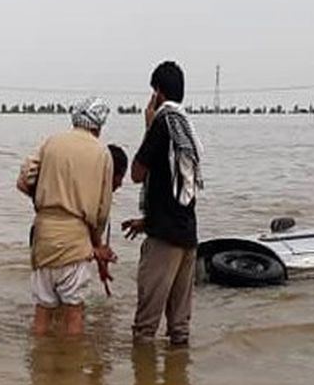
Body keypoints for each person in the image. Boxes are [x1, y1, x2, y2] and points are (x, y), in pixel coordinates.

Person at [16, 97, 117, 336]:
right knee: (74, 314)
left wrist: (42, 202)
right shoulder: (102, 154)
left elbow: (24, 180)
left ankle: (38, 368)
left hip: (43, 238)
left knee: (42, 310)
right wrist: (98, 248)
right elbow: (101, 212)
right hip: (75, 242)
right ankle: (71, 369)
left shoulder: (51, 142)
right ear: (98, 126)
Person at [124, 61, 204, 346]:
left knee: (145, 328)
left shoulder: (161, 123)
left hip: (165, 241)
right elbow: (179, 189)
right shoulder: (185, 126)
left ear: (157, 92)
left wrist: (147, 126)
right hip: (187, 236)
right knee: (179, 329)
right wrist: (146, 221)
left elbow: (136, 173)